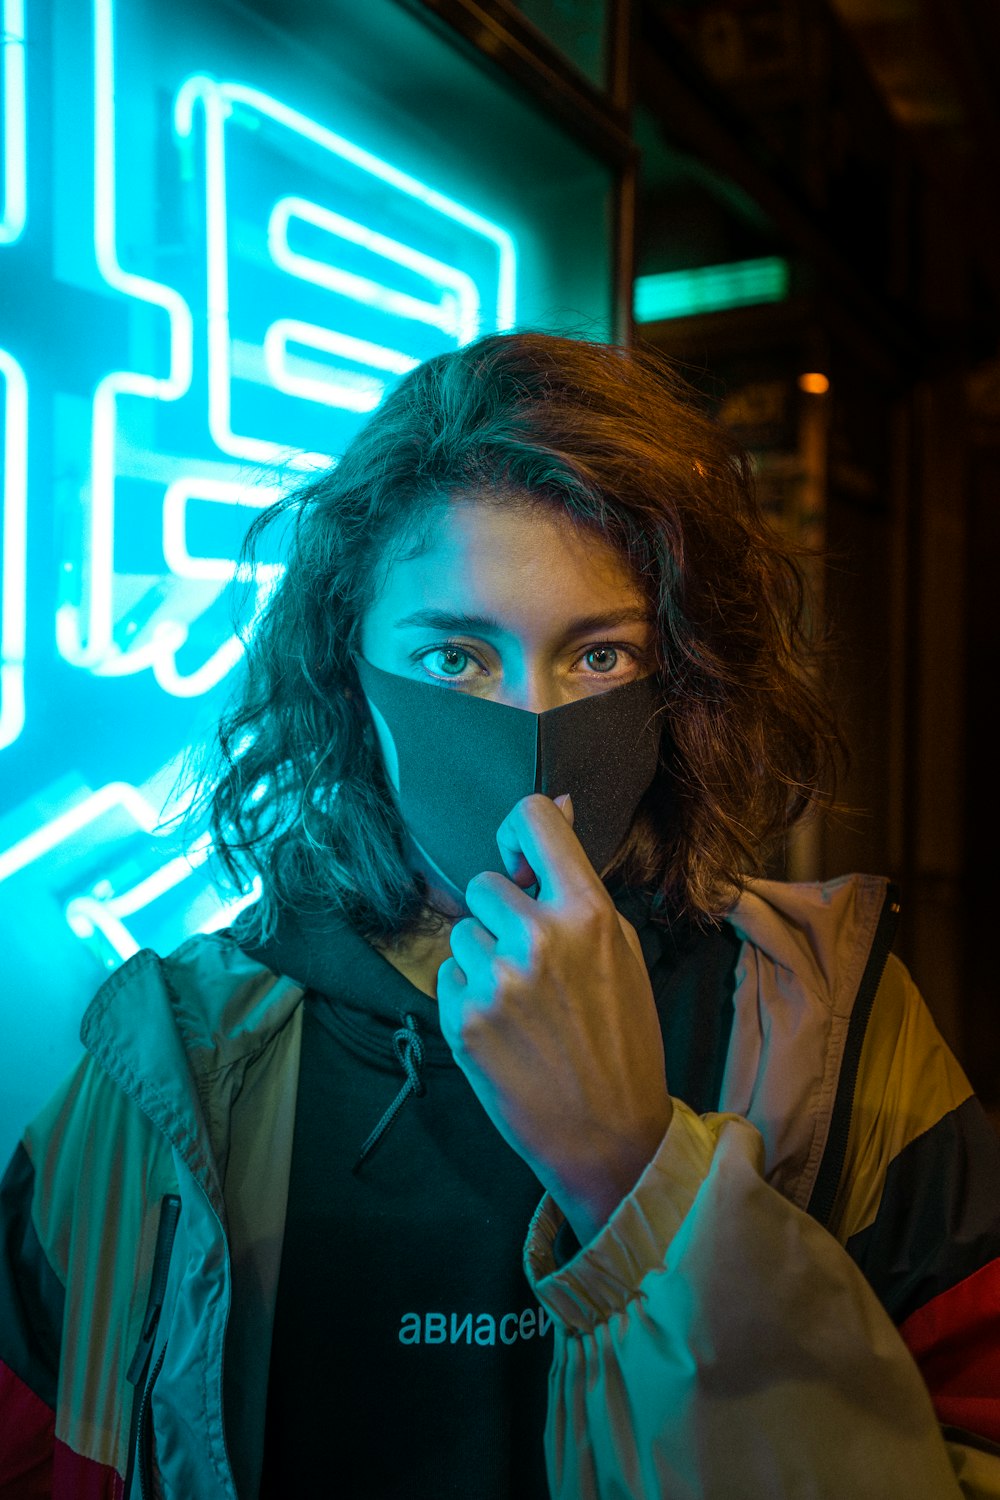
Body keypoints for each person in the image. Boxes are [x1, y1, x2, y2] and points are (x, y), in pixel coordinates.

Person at [1, 332, 998, 1500]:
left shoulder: (838, 1031)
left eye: (599, 656)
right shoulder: (167, 1068)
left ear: (681, 677)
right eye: (456, 658)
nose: (530, 727)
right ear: (346, 667)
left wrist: (635, 1171)